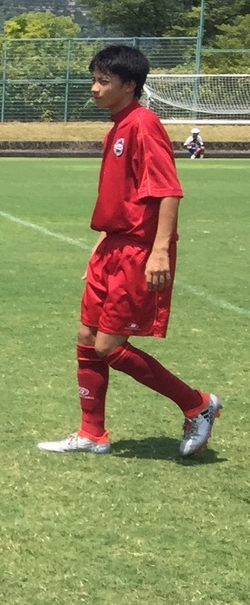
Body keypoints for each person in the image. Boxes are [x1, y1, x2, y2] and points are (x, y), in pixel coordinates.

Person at [39, 45, 222, 457]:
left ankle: (197, 404)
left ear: (129, 85)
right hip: (113, 247)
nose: (94, 88)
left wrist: (159, 252)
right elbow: (123, 200)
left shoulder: (143, 125)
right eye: (94, 79)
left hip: (138, 251)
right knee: (87, 337)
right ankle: (92, 434)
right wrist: (100, 246)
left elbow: (168, 191)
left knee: (109, 347)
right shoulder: (118, 127)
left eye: (104, 81)